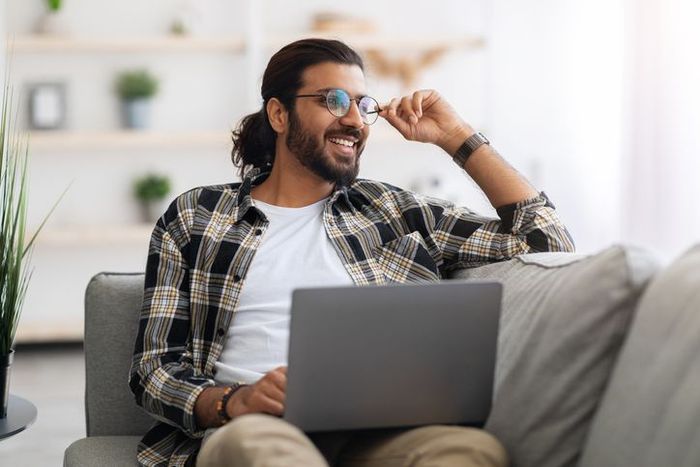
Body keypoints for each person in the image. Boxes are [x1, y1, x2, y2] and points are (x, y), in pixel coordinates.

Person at [129, 38, 574, 467]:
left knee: (470, 453)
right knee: (265, 452)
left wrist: (456, 136)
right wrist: (231, 401)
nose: (356, 121)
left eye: (363, 106)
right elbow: (154, 369)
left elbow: (547, 243)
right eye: (333, 101)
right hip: (258, 429)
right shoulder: (197, 216)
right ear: (280, 114)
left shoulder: (393, 211)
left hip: (381, 432)